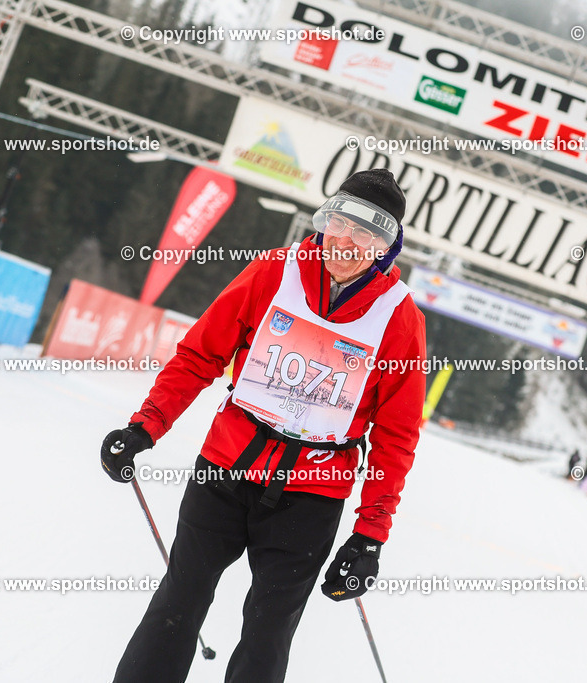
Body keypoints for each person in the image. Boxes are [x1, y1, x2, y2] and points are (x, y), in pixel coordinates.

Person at [100, 169, 427, 682]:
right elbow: (199, 355)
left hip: (313, 495)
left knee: (269, 630)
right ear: (324, 223)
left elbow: (396, 434)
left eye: (366, 233)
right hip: (225, 471)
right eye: (339, 222)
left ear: (386, 247)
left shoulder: (399, 316)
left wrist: (369, 536)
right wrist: (145, 427)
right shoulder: (275, 272)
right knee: (180, 596)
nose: (346, 242)